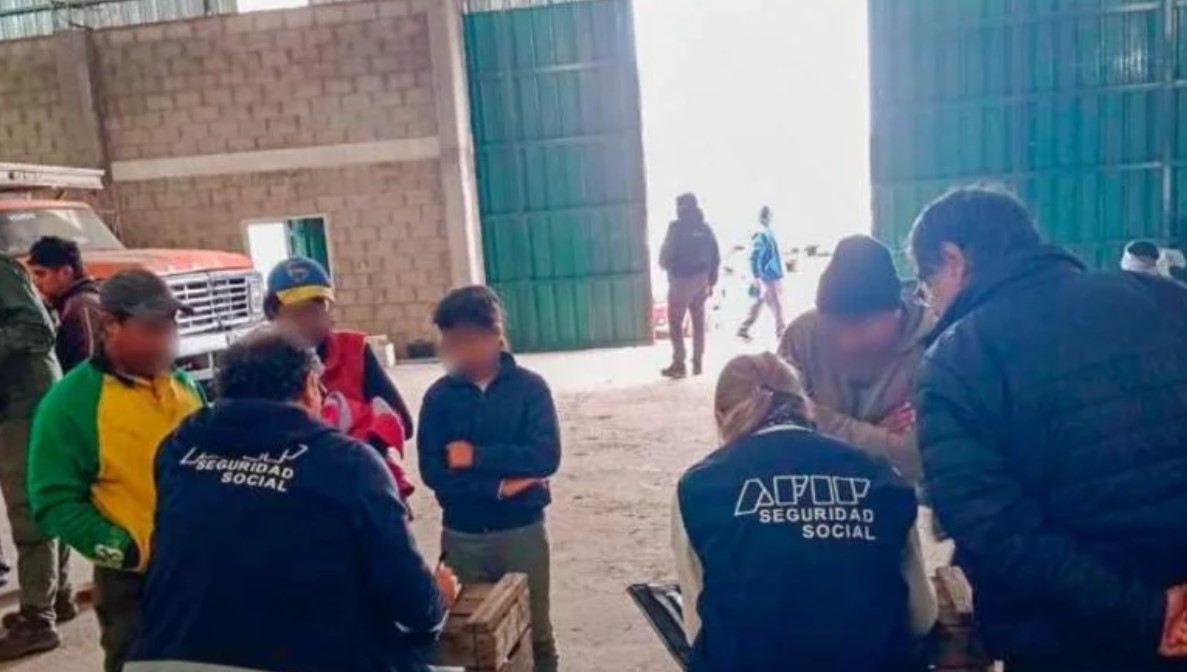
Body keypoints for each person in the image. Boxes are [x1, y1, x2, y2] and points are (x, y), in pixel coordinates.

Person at [910, 185, 1187, 671]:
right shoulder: (1167, 301)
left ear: (953, 259)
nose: (930, 303)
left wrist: (1147, 614)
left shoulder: (958, 360)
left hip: (1068, 641)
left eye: (926, 284)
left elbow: (996, 532)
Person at [127, 328, 453, 672]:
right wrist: (437, 598)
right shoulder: (348, 464)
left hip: (161, 660)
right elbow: (413, 606)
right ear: (311, 385)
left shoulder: (178, 449)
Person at [672, 353, 936, 672]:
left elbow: (696, 628)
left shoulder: (699, 488)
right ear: (804, 404)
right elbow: (922, 615)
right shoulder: (881, 476)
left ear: (720, 415)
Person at [28, 269, 205, 672]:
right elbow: (54, 499)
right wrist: (125, 549)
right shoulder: (71, 404)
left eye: (170, 327)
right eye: (152, 328)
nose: (165, 340)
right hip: (134, 583)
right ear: (110, 325)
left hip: (200, 569)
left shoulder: (184, 388)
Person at [418, 286, 561, 672]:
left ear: (495, 335)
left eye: (466, 340)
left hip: (522, 533)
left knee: (536, 633)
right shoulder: (438, 398)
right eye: (449, 342)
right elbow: (434, 473)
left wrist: (474, 456)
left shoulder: (530, 389)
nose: (457, 351)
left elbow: (545, 457)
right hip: (462, 536)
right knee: (473, 641)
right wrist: (500, 487)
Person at [778, 235, 933, 482]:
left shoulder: (933, 345)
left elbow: (916, 457)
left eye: (858, 326)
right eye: (833, 327)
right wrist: (877, 434)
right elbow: (780, 437)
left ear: (895, 313)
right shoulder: (802, 336)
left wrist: (818, 419)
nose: (845, 342)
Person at [265, 256, 416, 499]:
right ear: (272, 315)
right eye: (296, 313)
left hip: (360, 481)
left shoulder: (354, 349)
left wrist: (358, 447)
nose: (308, 322)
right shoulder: (261, 363)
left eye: (316, 310)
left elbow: (402, 423)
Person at [0, 252, 62, 659]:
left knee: (29, 506)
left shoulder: (2, 271)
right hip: (10, 401)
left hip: (25, 402)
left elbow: (37, 329)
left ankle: (39, 619)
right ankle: (59, 596)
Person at [658, 193, 720, 378]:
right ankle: (698, 363)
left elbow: (665, 256)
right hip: (702, 280)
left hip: (682, 280)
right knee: (698, 322)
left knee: (675, 322)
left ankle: (679, 363)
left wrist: (666, 265)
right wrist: (711, 281)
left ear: (681, 208)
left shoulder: (676, 228)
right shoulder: (706, 229)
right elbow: (715, 256)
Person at [27, 236, 103, 372]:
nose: (35, 282)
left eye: (41, 274)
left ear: (66, 272)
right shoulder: (70, 303)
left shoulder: (81, 306)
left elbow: (90, 364)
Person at [737, 206, 786, 341]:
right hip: (767, 275)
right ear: (766, 216)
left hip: (769, 274)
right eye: (770, 215)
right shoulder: (762, 234)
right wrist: (756, 275)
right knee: (776, 304)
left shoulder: (766, 233)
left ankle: (743, 329)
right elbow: (755, 255)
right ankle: (781, 332)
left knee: (759, 303)